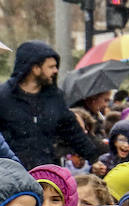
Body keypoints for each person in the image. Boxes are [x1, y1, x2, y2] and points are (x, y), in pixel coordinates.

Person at [0, 41, 100, 169]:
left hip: (47, 173)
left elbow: (72, 130)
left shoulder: (55, 98)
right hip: (12, 173)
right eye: (51, 67)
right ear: (35, 68)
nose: (55, 70)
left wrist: (93, 158)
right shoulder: (3, 97)